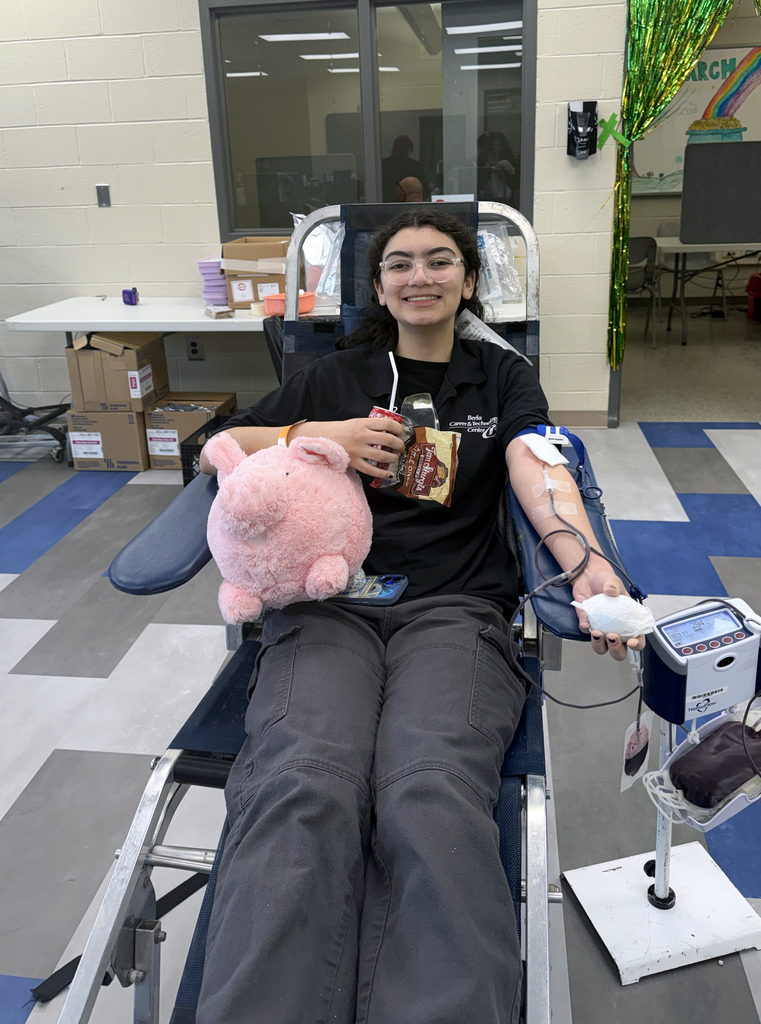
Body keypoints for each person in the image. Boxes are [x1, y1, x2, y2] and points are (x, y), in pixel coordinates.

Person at [196, 208, 645, 1024]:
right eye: (400, 263)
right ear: (377, 287)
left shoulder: (500, 378)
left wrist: (586, 561)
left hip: (456, 612)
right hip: (328, 608)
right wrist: (318, 433)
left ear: (470, 282)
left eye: (441, 262)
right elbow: (220, 445)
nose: (421, 276)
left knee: (429, 787)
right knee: (302, 782)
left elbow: (539, 465)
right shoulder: (336, 376)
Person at [381, 135, 429, 202]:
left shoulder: (382, 165)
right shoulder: (415, 166)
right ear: (409, 149)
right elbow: (425, 191)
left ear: (394, 147)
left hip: (385, 205)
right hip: (409, 206)